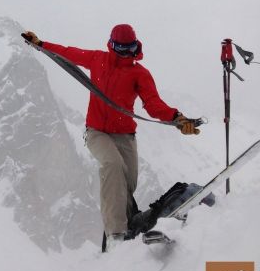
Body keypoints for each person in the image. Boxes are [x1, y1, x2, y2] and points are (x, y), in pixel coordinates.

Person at [22, 24, 200, 252]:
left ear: (136, 47)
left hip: (125, 135)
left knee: (127, 183)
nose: (125, 54)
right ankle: (116, 235)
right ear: (111, 45)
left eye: (130, 49)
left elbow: (154, 104)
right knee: (112, 165)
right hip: (97, 132)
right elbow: (68, 53)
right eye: (120, 48)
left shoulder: (140, 74)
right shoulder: (98, 60)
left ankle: (130, 227)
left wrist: (177, 118)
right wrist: (40, 45)